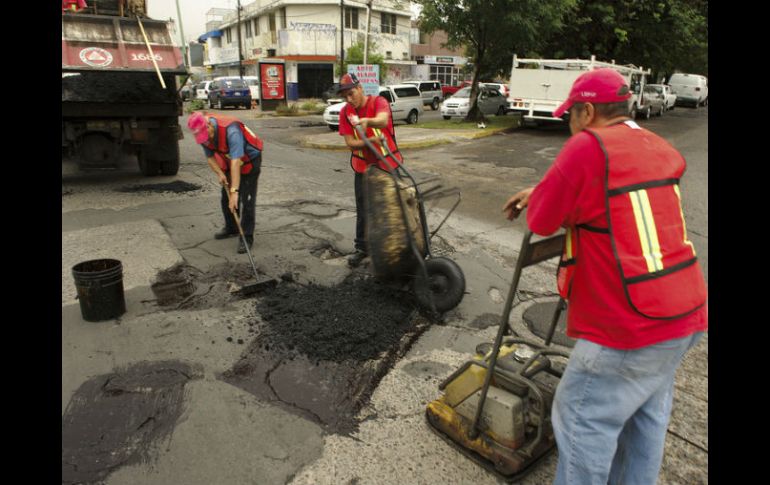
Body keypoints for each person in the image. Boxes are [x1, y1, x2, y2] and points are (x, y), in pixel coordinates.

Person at [502, 68, 707, 485]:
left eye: (571, 116)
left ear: (588, 111)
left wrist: (541, 195)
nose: (569, 124)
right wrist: (542, 186)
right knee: (645, 415)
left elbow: (542, 220)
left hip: (630, 322)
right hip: (685, 312)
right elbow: (614, 194)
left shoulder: (589, 145)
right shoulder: (654, 144)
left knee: (583, 420)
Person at [337, 73, 403, 267]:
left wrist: (367, 122)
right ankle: (362, 248)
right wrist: (369, 141)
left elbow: (383, 120)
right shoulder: (345, 113)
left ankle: (399, 247)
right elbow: (350, 143)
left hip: (388, 164)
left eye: (351, 94)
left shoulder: (379, 102)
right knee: (364, 209)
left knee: (395, 206)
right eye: (345, 97)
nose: (349, 100)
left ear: (360, 89)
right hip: (363, 168)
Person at [187, 111, 263, 254]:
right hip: (228, 161)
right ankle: (232, 228)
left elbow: (236, 162)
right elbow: (210, 157)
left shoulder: (231, 130)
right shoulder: (202, 135)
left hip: (249, 160)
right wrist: (220, 173)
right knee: (226, 198)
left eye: (206, 134)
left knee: (246, 199)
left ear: (209, 124)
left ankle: (246, 236)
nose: (206, 139)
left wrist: (235, 191)